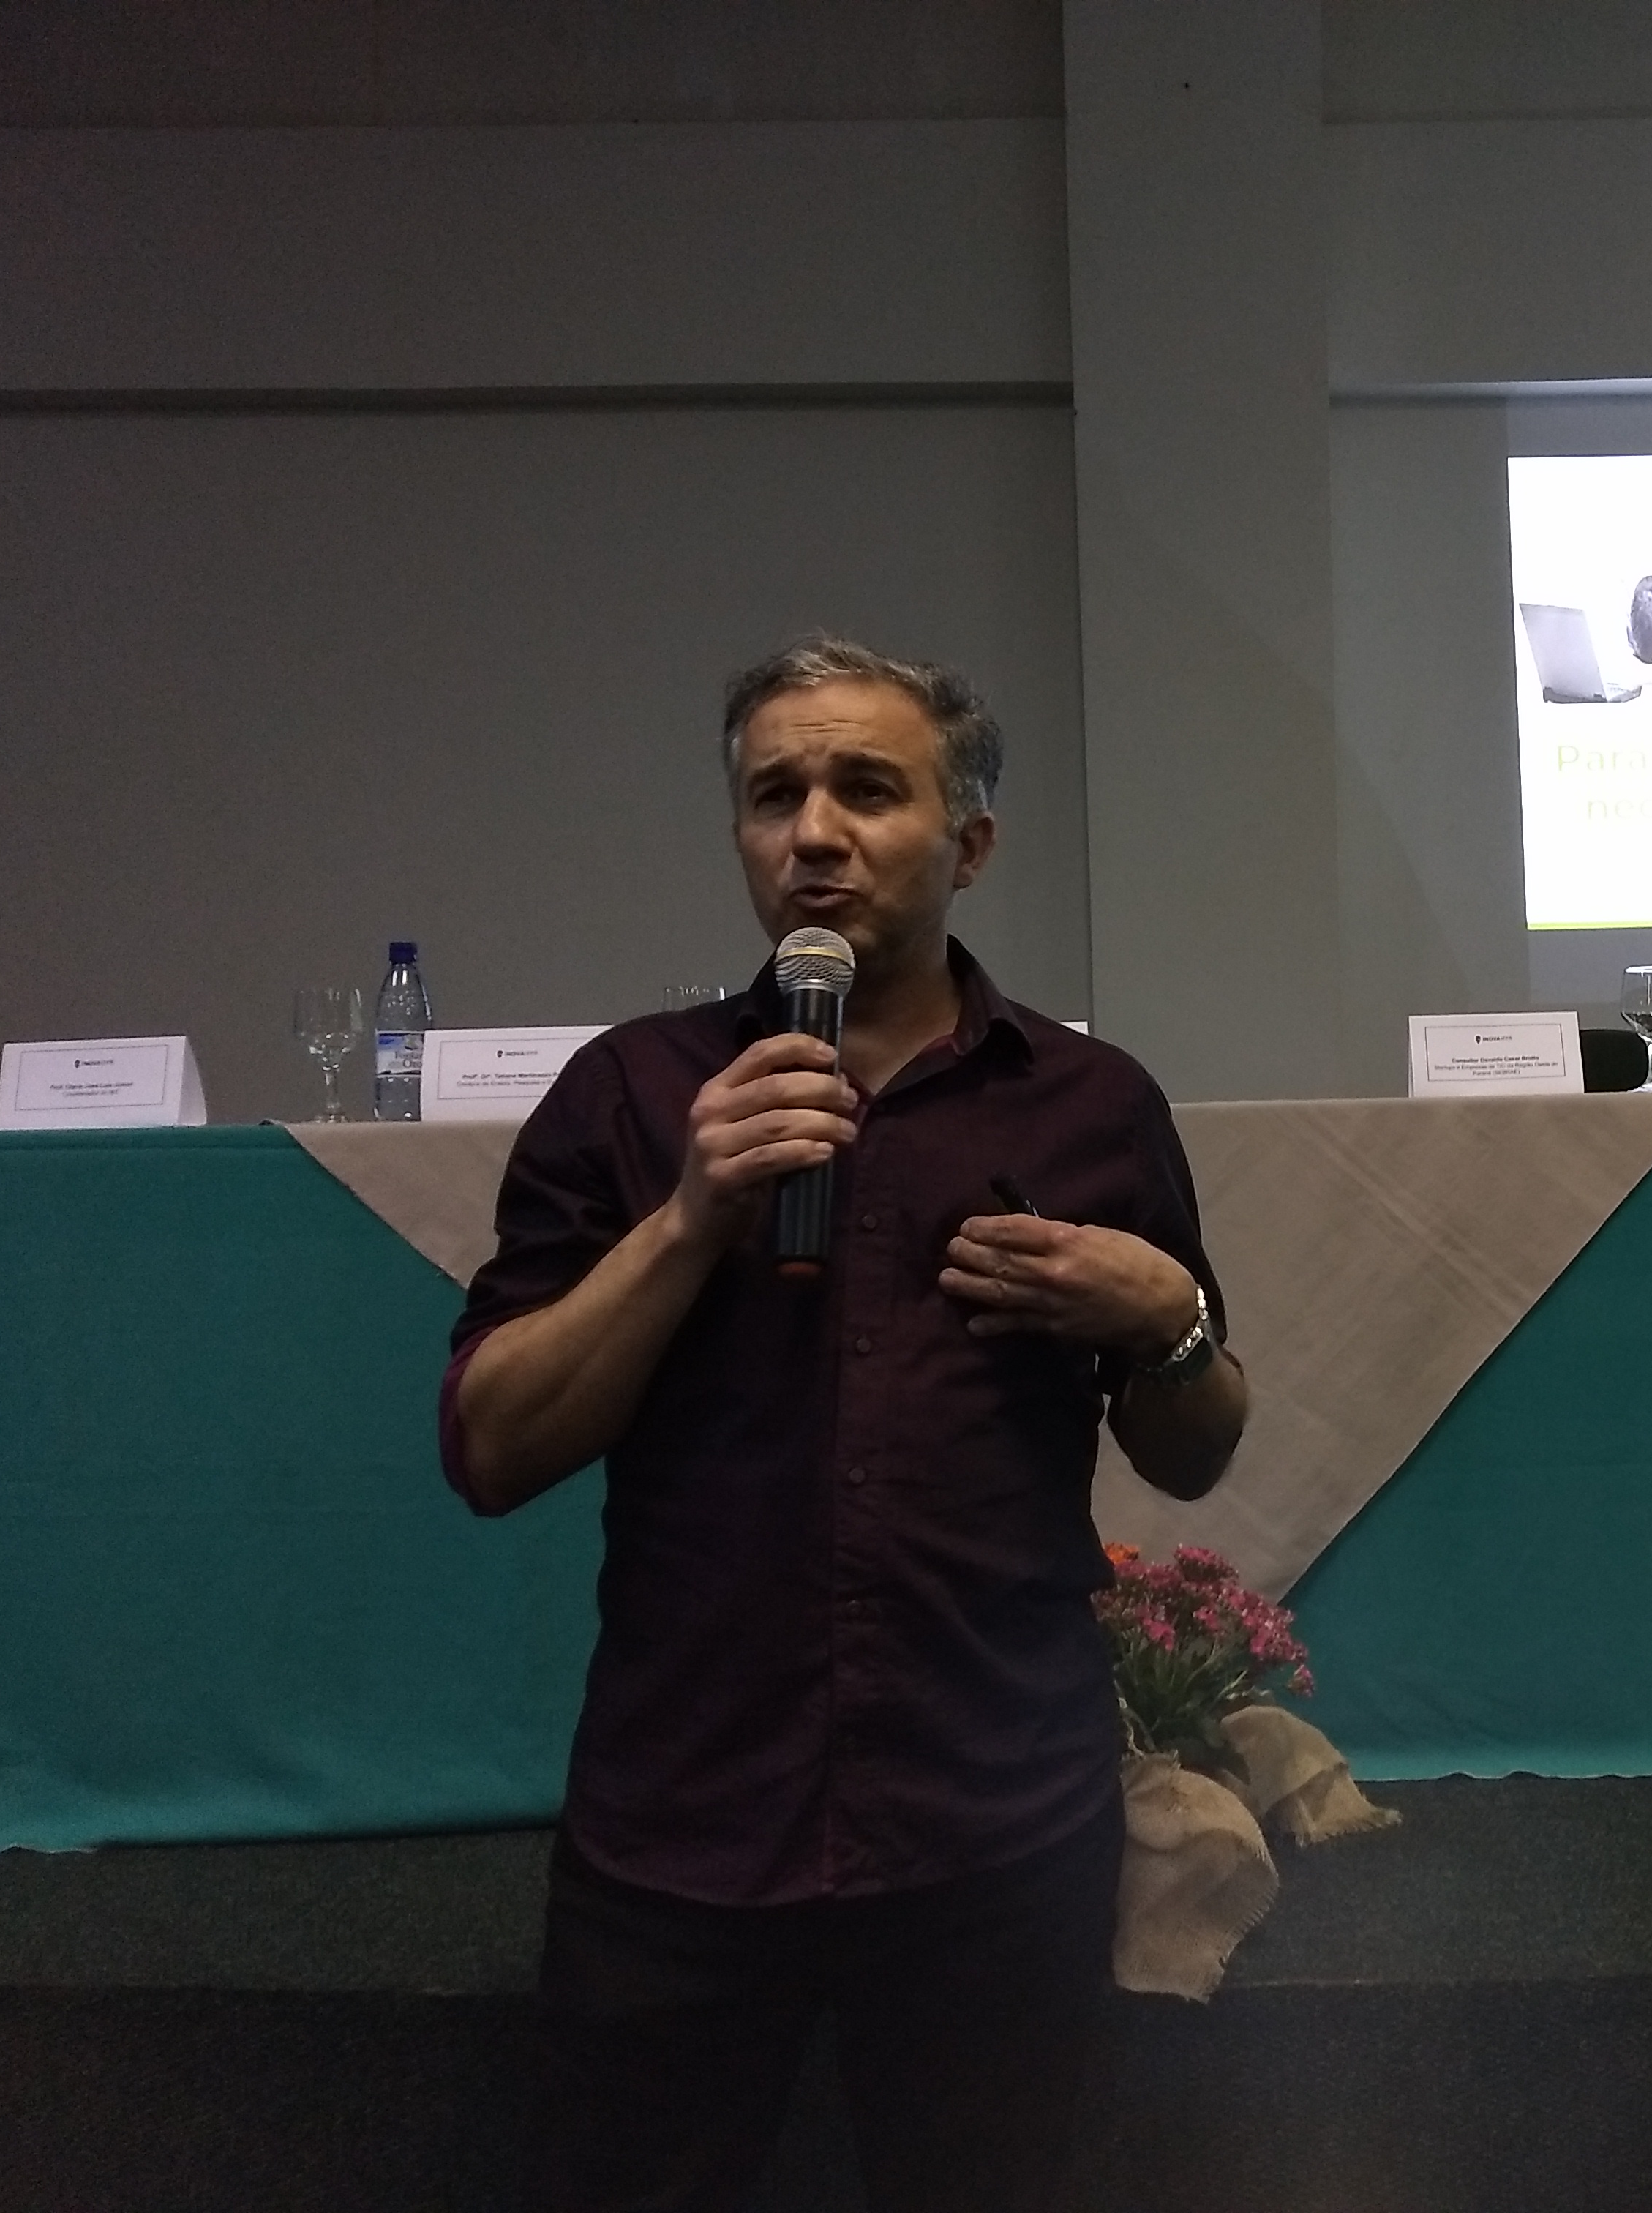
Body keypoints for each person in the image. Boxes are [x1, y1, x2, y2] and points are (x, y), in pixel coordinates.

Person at [440, 637, 1247, 2213]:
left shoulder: (1093, 1109)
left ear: (971, 844)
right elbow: (491, 1449)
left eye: (868, 790)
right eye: (774, 795)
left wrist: (1168, 1318)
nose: (813, 832)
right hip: (686, 1825)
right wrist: (689, 1219)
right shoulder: (629, 1097)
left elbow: (1194, 1448)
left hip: (994, 1829)